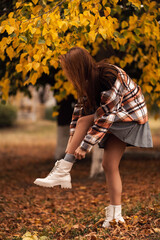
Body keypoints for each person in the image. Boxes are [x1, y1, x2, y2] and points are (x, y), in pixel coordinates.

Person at [34, 46, 153, 228]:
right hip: (116, 117)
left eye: (68, 70)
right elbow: (78, 114)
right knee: (108, 165)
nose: (66, 74)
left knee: (84, 123)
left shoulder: (108, 77)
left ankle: (63, 170)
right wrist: (71, 147)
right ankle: (115, 216)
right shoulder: (87, 83)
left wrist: (84, 146)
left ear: (77, 67)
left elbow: (106, 116)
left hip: (130, 116)